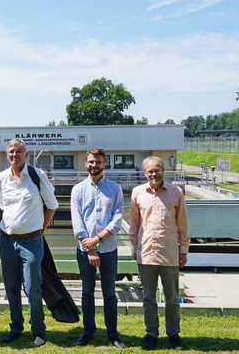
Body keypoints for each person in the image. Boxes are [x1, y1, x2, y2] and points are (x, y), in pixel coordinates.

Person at [0, 138, 58, 347]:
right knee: (11, 287)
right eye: (11, 152)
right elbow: (4, 207)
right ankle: (16, 328)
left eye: (19, 151)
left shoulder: (37, 175)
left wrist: (41, 230)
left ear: (26, 154)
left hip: (31, 241)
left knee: (33, 288)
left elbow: (52, 204)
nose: (15, 155)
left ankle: (38, 330)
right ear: (7, 155)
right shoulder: (2, 178)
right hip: (6, 241)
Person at [129, 156, 190, 351]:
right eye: (149, 171)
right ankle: (151, 333)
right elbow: (134, 226)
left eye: (157, 170)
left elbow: (183, 225)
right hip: (146, 253)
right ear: (144, 173)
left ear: (163, 170)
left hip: (170, 254)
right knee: (148, 297)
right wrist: (134, 249)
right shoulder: (137, 193)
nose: (153, 174)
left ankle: (173, 334)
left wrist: (184, 250)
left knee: (172, 298)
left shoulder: (176, 192)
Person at [71, 147, 125, 349]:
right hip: (85, 250)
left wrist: (98, 241)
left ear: (105, 164)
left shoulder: (115, 188)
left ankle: (112, 333)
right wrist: (90, 248)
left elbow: (117, 219)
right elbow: (77, 222)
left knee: (110, 293)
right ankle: (88, 331)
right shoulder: (77, 190)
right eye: (91, 162)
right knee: (87, 292)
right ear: (86, 164)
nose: (95, 165)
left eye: (99, 162)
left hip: (109, 249)